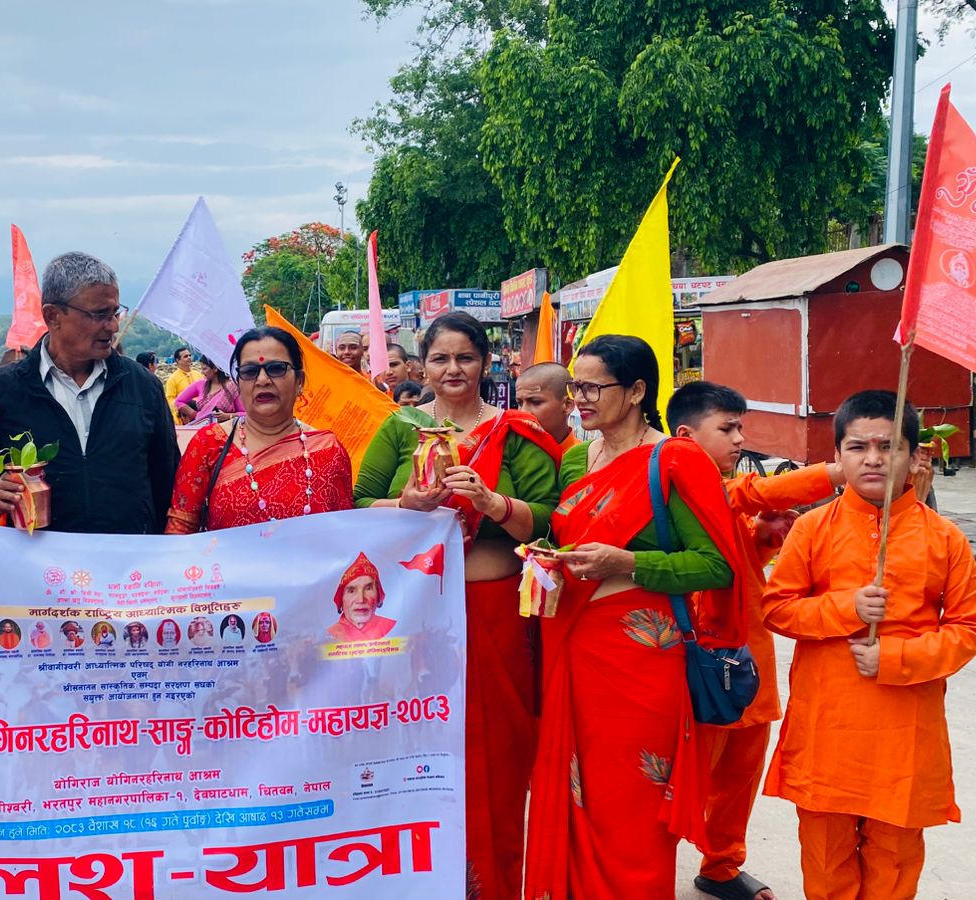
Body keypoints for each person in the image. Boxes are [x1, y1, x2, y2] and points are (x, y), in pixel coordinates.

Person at [523, 334, 751, 899]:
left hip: (641, 660)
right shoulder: (578, 458)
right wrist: (548, 556)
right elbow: (568, 532)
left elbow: (717, 566)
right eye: (575, 387)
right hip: (573, 647)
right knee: (577, 791)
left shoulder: (676, 460)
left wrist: (627, 562)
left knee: (633, 805)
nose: (579, 399)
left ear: (636, 391)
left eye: (592, 387)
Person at [354, 311, 561, 900]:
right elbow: (357, 501)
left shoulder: (515, 431)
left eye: (465, 357)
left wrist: (495, 504)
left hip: (493, 611)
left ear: (486, 363)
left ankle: (494, 885)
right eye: (440, 358)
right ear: (423, 365)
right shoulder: (401, 427)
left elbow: (552, 519)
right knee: (416, 749)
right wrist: (407, 506)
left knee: (498, 754)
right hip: (416, 618)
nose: (453, 369)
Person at [761, 391, 976, 900]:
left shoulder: (943, 538)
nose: (874, 459)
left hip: (904, 730)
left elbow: (971, 628)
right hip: (828, 726)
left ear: (913, 455)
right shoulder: (811, 530)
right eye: (858, 446)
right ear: (837, 455)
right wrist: (846, 608)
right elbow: (776, 608)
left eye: (889, 447)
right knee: (826, 859)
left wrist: (896, 657)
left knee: (895, 860)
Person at [667, 381, 843, 900]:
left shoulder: (726, 490)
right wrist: (838, 472)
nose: (740, 439)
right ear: (686, 437)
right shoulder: (685, 487)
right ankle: (652, 867)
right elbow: (755, 492)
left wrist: (763, 537)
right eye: (727, 429)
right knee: (686, 777)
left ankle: (721, 865)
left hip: (749, 653)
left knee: (741, 773)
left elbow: (741, 560)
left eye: (740, 427)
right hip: (700, 658)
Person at [0, 252, 179, 534]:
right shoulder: (1, 391)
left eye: (115, 313)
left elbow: (168, 481)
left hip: (129, 557)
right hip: (41, 559)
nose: (113, 326)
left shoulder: (143, 386)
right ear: (53, 315)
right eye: (99, 314)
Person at [167, 328, 354, 534]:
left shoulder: (328, 451)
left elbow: (345, 536)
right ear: (238, 384)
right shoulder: (209, 443)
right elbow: (180, 527)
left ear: (299, 381)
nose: (263, 380)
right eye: (249, 371)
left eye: (276, 368)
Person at [326, 552, 395, 641]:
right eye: (351, 591)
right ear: (341, 599)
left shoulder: (395, 629)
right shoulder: (327, 636)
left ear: (378, 595)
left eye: (368, 589)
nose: (361, 600)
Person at [516, 361, 580, 456]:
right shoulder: (510, 453)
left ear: (567, 405)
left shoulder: (584, 458)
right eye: (520, 403)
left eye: (536, 402)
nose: (523, 412)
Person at [174, 356, 242, 425]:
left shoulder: (232, 387)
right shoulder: (200, 384)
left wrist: (228, 416)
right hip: (201, 427)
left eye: (204, 369)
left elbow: (244, 414)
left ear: (215, 368)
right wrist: (196, 415)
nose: (202, 372)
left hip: (225, 428)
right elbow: (178, 401)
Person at [163, 347, 198, 417]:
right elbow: (169, 399)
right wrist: (183, 409)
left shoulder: (198, 374)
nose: (189, 358)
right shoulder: (173, 379)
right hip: (184, 416)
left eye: (190, 355)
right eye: (185, 356)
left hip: (201, 413)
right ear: (177, 360)